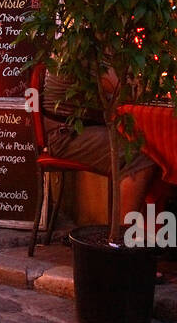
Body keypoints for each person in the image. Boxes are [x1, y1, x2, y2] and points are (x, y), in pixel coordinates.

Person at [42, 66, 159, 233]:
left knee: (152, 145)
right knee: (140, 156)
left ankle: (151, 233)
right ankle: (121, 239)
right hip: (66, 134)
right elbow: (121, 88)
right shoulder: (83, 45)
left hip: (83, 127)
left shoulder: (93, 44)